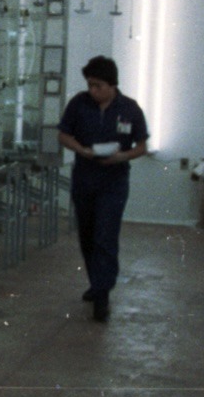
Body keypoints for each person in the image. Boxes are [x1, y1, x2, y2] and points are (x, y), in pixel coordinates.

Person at [57, 56, 148, 321]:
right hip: (85, 179)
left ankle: (102, 293)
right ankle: (96, 283)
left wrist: (121, 157)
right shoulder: (79, 104)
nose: (93, 91)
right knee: (87, 235)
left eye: (97, 86)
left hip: (114, 182)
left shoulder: (130, 109)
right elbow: (63, 135)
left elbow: (141, 146)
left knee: (105, 235)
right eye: (90, 85)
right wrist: (82, 150)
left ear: (111, 84)